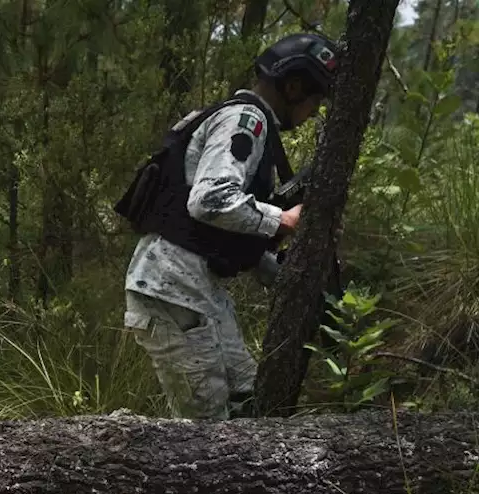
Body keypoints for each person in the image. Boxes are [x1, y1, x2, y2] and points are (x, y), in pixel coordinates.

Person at [117, 33, 339, 420]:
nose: (314, 113)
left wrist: (281, 273)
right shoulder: (245, 120)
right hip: (173, 293)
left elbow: (219, 232)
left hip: (195, 291)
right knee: (207, 434)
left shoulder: (243, 123)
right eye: (315, 100)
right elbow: (209, 201)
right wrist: (282, 220)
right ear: (293, 86)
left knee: (248, 402)